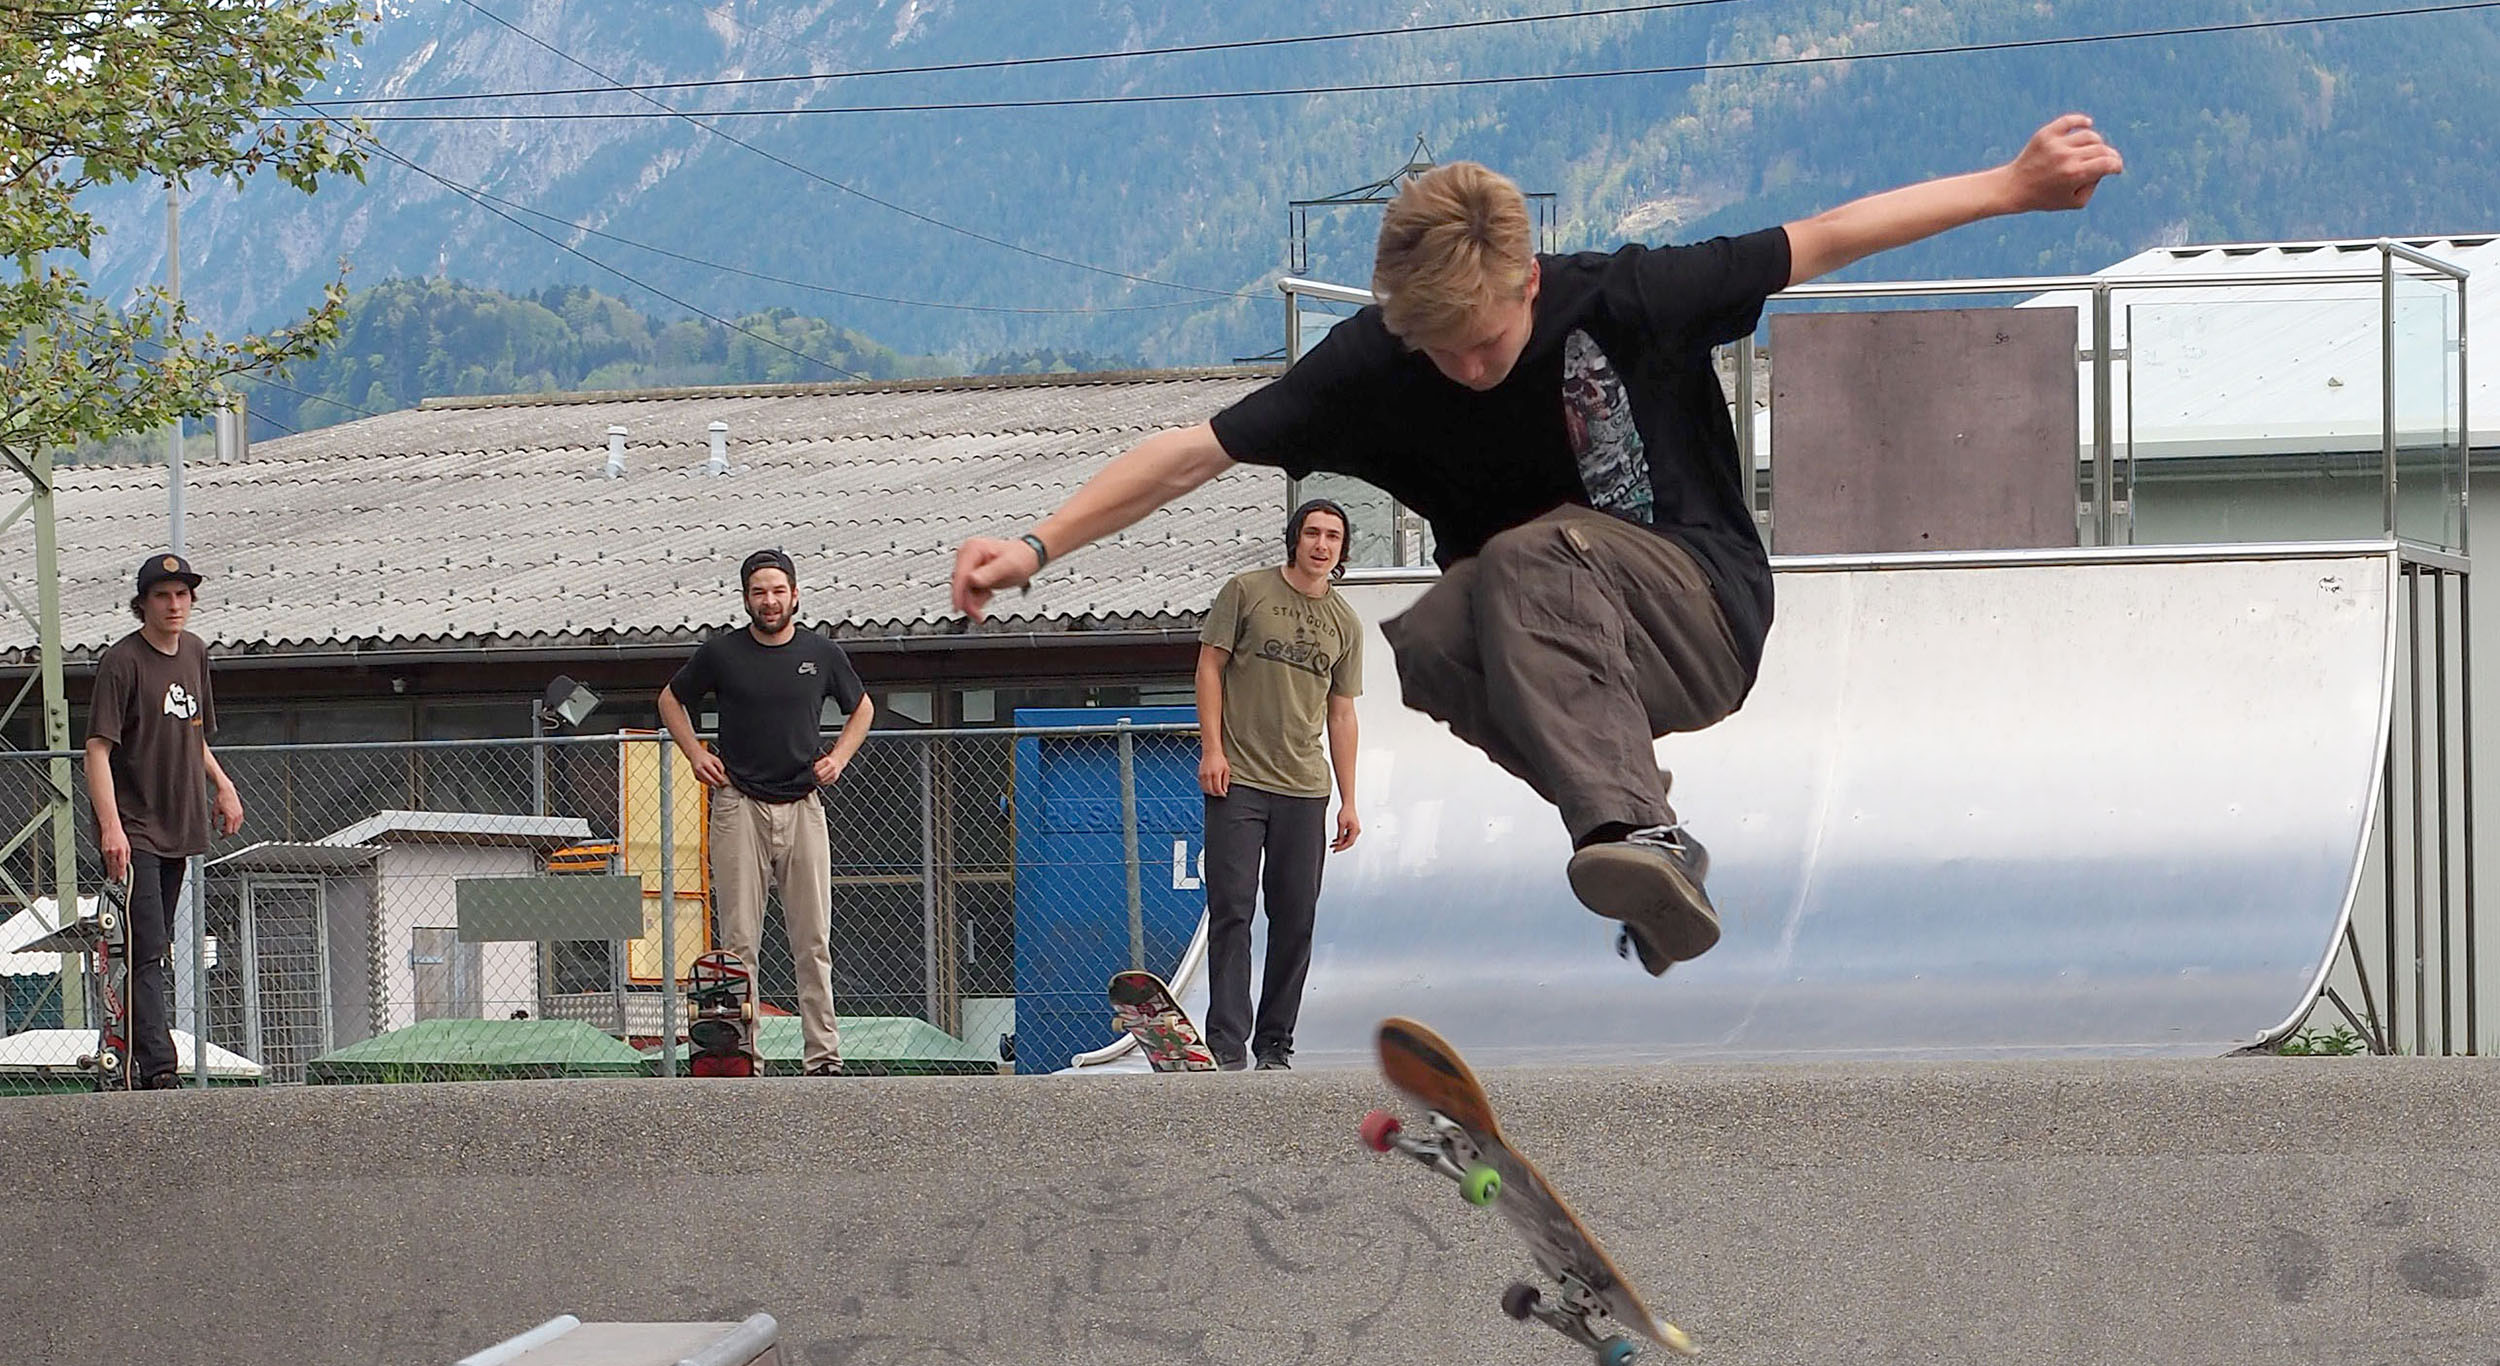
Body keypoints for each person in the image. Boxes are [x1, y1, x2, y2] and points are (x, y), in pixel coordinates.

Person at [951, 117, 2124, 972]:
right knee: (1430, 638)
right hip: (1556, 636)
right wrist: (1033, 548)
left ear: (1527, 279)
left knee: (1521, 558)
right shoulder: (1371, 367)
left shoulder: (1627, 298)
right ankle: (1646, 856)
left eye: (1486, 341)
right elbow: (1191, 452)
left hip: (1699, 614)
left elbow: (1822, 238)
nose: (1468, 368)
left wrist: (2012, 185)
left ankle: (1635, 826)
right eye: (1441, 350)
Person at [659, 548, 873, 1075]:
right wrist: (695, 753)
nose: (770, 601)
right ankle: (741, 1058)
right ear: (746, 599)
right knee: (738, 945)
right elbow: (669, 699)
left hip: (803, 806)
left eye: (778, 591)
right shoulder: (721, 653)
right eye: (759, 592)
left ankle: (823, 1057)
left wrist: (839, 758)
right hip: (738, 806)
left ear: (795, 595)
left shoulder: (822, 653)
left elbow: (862, 707)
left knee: (813, 940)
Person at [1197, 497, 1364, 1070]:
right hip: (1238, 779)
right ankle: (1226, 1044)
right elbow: (1209, 667)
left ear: (1342, 549)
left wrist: (1349, 800)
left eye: (1333, 536)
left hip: (1305, 787)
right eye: (1312, 532)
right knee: (1232, 909)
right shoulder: (1246, 591)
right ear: (1295, 538)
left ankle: (1275, 1043)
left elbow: (1342, 712)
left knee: (1295, 920)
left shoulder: (1345, 623)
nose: (1322, 544)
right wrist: (1212, 749)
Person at [83, 552, 246, 1088]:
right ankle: (159, 1067)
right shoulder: (122, 662)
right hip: (135, 828)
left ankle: (137, 1058)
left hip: (181, 823)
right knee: (144, 948)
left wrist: (222, 785)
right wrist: (111, 828)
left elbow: (193, 733)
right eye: (162, 596)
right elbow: (97, 750)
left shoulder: (194, 652)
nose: (174, 605)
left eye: (182, 595)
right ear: (143, 603)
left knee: (155, 946)